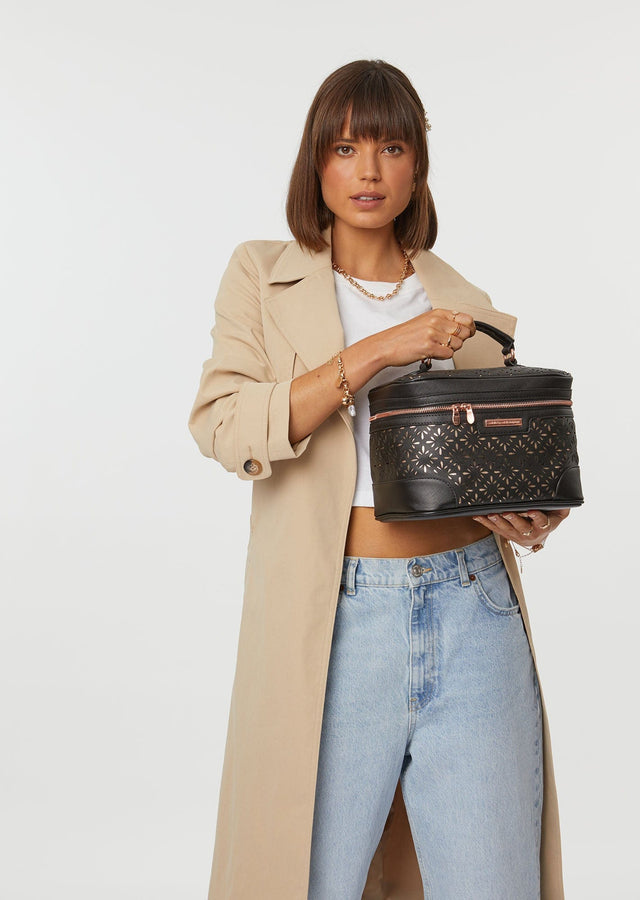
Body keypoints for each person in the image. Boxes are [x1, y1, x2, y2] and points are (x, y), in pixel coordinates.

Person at [189, 59, 569, 900]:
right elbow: (223, 424)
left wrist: (529, 515)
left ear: (417, 166)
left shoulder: (467, 306)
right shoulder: (263, 276)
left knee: (492, 883)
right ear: (316, 162)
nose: (369, 171)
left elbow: (493, 465)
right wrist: (375, 353)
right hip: (336, 617)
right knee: (305, 877)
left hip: (475, 607)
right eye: (346, 147)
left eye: (392, 148)